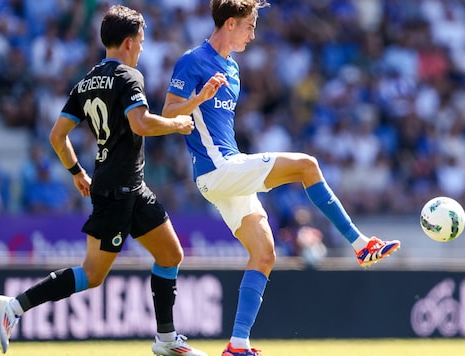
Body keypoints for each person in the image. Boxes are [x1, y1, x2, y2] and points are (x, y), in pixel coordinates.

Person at [161, 1, 401, 355]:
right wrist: (198, 97)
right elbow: (166, 113)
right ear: (230, 23)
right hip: (217, 169)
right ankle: (360, 244)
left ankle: (237, 345)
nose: (253, 33)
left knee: (265, 254)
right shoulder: (193, 60)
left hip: (226, 170)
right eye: (249, 25)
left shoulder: (233, 68)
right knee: (307, 165)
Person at [0, 5, 207, 356]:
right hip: (117, 189)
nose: (141, 47)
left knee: (171, 254)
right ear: (126, 42)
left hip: (128, 184)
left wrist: (77, 172)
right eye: (140, 41)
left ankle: (166, 340)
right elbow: (140, 124)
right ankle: (14, 306)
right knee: (92, 275)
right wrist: (177, 125)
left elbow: (57, 136)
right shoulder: (128, 77)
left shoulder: (86, 82)